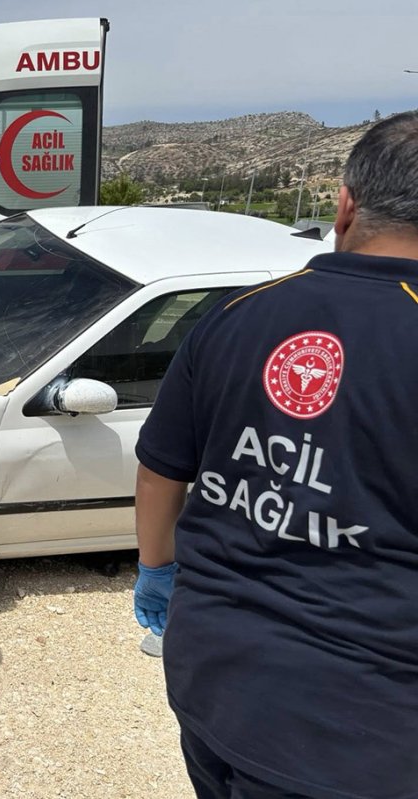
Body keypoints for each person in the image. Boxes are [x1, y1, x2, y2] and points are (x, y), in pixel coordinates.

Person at [133, 112, 418, 798]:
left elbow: (161, 470)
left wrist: (156, 570)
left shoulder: (237, 314)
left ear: (345, 204)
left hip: (211, 681)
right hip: (359, 726)